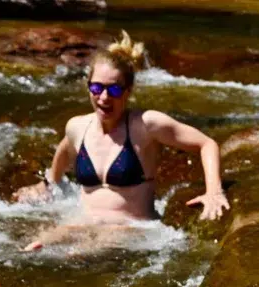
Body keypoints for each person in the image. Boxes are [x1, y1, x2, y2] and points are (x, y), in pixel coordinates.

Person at [13, 31, 230, 251]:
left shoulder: (145, 125)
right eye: (97, 88)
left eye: (114, 89)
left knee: (77, 256)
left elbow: (206, 144)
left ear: (128, 91)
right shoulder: (77, 127)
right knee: (33, 248)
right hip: (81, 224)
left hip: (132, 230)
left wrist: (214, 191)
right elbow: (65, 148)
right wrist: (48, 182)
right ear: (88, 87)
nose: (104, 97)